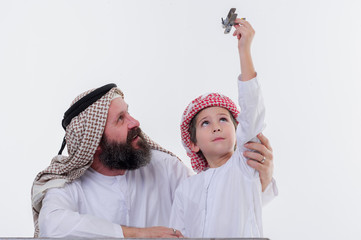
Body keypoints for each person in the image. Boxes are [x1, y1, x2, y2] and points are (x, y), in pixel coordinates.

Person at [31, 28, 276, 239]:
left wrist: (259, 181)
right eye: (120, 119)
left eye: (128, 113)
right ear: (94, 142)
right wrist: (140, 234)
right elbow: (53, 226)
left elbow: (213, 201)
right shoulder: (69, 186)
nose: (134, 122)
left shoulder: (166, 169)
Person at [169, 19, 277, 238]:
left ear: (238, 133)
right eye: (205, 123)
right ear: (193, 144)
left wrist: (244, 50)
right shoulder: (186, 190)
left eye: (224, 120)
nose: (216, 127)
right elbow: (178, 234)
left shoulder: (244, 166)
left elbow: (252, 110)